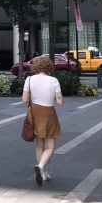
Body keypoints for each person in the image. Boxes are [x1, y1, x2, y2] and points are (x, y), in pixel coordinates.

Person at [22, 55, 63, 186]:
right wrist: (56, 96)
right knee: (50, 146)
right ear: (49, 67)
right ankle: (41, 167)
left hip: (34, 112)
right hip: (48, 112)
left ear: (36, 67)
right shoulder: (54, 80)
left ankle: (43, 174)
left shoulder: (29, 79)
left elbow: (24, 100)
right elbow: (60, 102)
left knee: (39, 145)